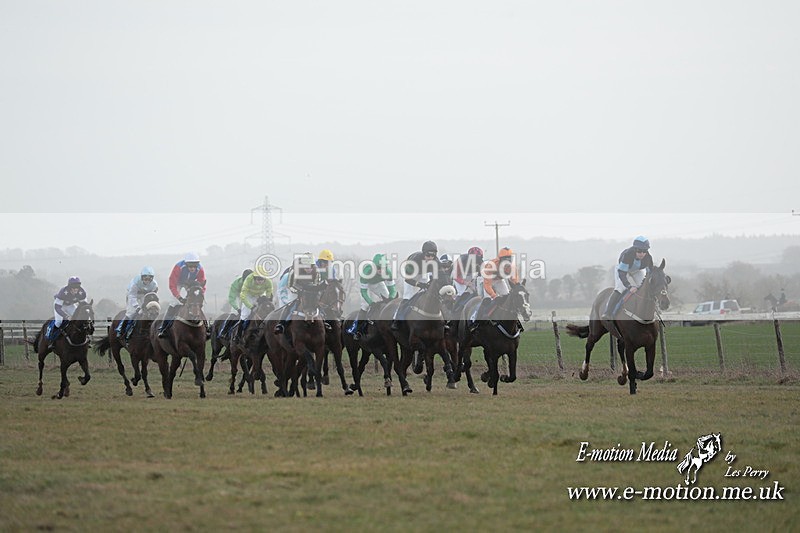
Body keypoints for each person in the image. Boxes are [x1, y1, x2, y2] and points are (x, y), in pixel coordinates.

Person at [391, 241, 442, 330]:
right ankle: (397, 320)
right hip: (411, 274)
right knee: (408, 297)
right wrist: (419, 284)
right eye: (428, 255)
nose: (430, 258)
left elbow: (436, 277)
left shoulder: (436, 262)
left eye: (433, 256)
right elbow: (407, 279)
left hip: (423, 273)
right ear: (423, 254)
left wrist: (430, 283)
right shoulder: (414, 261)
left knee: (428, 294)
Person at [602, 236, 654, 320]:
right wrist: (629, 286)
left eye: (644, 251)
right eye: (639, 251)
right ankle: (607, 312)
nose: (642, 254)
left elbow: (650, 273)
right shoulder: (628, 255)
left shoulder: (648, 258)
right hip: (623, 271)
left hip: (637, 271)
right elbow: (622, 273)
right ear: (635, 249)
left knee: (645, 287)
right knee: (620, 288)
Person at [348, 253, 397, 340]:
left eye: (383, 268)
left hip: (378, 284)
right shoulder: (366, 272)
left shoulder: (388, 273)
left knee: (389, 303)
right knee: (365, 306)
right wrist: (371, 302)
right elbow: (364, 292)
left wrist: (391, 298)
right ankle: (357, 331)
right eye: (378, 268)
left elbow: (393, 290)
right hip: (366, 286)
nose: (381, 270)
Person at [158, 252, 207, 338]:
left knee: (196, 304)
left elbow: (202, 283)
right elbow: (172, 284)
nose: (192, 268)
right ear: (186, 264)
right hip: (178, 283)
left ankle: (207, 327)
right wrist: (179, 297)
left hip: (191, 284)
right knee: (173, 304)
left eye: (194, 266)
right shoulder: (178, 267)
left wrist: (200, 295)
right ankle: (163, 328)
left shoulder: (200, 269)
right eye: (190, 266)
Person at [469, 247, 519, 332]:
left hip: (499, 279)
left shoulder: (512, 267)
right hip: (485, 280)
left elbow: (515, 282)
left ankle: (515, 321)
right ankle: (475, 320)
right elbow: (487, 285)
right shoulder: (491, 266)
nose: (507, 262)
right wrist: (494, 295)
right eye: (505, 260)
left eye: (509, 259)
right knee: (487, 300)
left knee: (507, 297)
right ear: (499, 260)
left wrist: (517, 290)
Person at [274, 252, 320, 334]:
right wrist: (301, 292)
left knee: (318, 303)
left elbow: (316, 284)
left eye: (311, 267)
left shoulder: (316, 271)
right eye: (306, 267)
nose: (309, 269)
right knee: (290, 305)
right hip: (295, 290)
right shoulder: (295, 271)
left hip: (309, 291)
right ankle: (281, 324)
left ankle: (324, 321)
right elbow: (291, 285)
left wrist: (312, 292)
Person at [115, 266, 158, 341]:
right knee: (131, 313)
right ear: (142, 277)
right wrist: (137, 307)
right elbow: (132, 296)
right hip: (133, 295)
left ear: (152, 278)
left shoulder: (154, 285)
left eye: (149, 278)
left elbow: (152, 296)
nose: (147, 280)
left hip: (144, 296)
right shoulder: (135, 282)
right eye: (145, 278)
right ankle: (120, 329)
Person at [232, 269, 274, 341]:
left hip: (259, 294)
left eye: (262, 279)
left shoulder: (269, 282)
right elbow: (243, 296)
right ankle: (237, 335)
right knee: (245, 314)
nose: (260, 281)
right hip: (248, 295)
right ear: (254, 278)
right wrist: (250, 307)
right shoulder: (248, 280)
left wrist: (266, 299)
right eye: (258, 279)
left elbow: (269, 292)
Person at [46, 276, 88, 342]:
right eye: (73, 287)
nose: (75, 289)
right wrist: (66, 316)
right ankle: (52, 338)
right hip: (60, 306)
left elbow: (84, 306)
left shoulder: (82, 293)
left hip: (70, 305)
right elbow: (57, 307)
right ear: (69, 287)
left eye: (77, 287)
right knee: (58, 322)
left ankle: (85, 338)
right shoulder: (63, 292)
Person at [218, 269, 252, 339]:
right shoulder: (236, 283)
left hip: (249, 298)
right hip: (238, 298)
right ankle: (224, 331)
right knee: (234, 313)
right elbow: (232, 298)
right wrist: (237, 308)